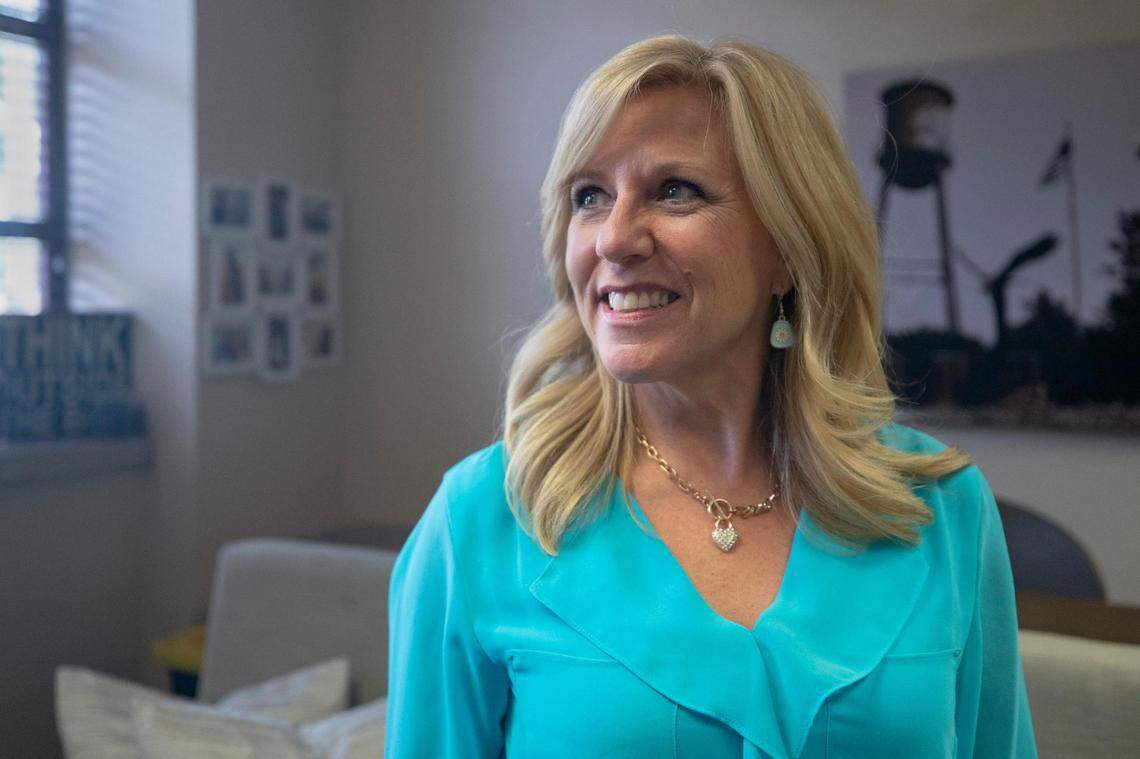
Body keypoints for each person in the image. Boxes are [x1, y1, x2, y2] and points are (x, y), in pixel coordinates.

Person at [384, 34, 1037, 758]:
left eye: (675, 190)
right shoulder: (480, 519)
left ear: (789, 248)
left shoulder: (943, 510)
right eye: (589, 196)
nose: (615, 239)